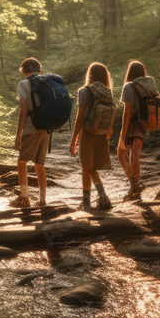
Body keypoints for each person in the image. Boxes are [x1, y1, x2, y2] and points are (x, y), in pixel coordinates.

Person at [69, 62, 114, 210]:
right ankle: (89, 201)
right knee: (88, 166)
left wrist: (74, 139)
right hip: (101, 132)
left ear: (91, 75)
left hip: (87, 132)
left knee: (87, 166)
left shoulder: (84, 91)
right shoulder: (107, 91)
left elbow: (80, 117)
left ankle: (99, 198)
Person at [12, 58, 49, 208]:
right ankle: (42, 200)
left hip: (30, 128)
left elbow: (24, 110)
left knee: (22, 162)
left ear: (23, 71)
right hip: (46, 126)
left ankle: (24, 197)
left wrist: (19, 133)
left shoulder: (23, 84)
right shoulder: (46, 82)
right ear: (40, 70)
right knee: (39, 164)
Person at [118, 60, 148, 198]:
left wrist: (123, 134)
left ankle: (134, 185)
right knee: (135, 156)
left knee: (121, 154)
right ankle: (136, 189)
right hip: (144, 123)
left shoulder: (128, 86)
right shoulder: (147, 84)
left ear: (130, 72)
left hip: (132, 124)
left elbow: (127, 112)